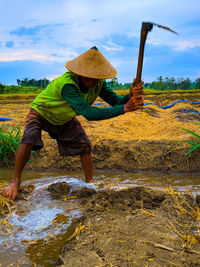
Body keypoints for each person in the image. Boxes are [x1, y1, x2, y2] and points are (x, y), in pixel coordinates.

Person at [3, 46, 144, 200]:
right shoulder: (68, 84)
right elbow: (89, 113)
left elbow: (115, 101)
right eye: (90, 78)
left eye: (97, 78)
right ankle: (15, 181)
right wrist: (125, 108)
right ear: (79, 74)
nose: (94, 82)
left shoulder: (98, 83)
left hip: (63, 118)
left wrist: (129, 96)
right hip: (42, 112)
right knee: (29, 137)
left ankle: (90, 183)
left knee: (84, 145)